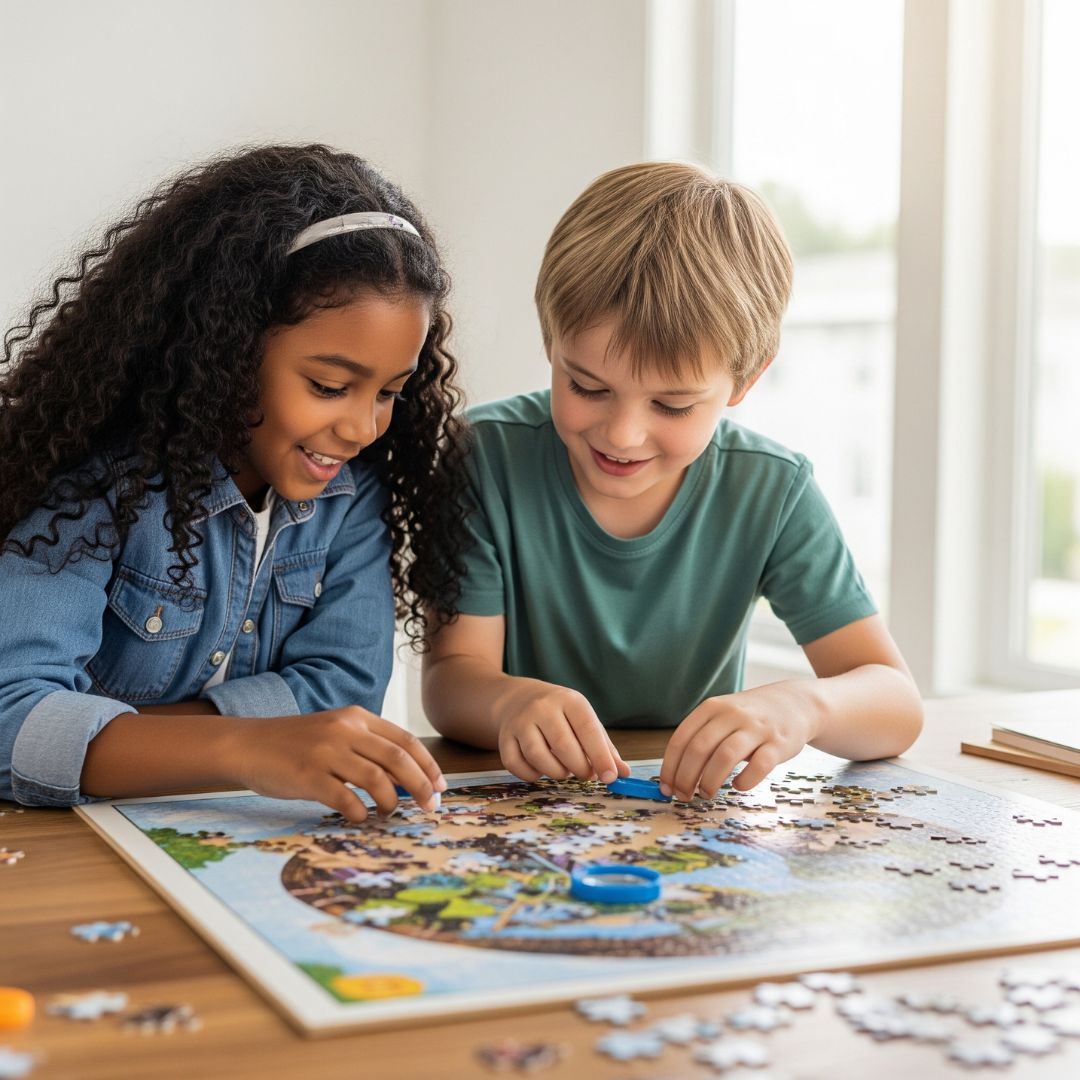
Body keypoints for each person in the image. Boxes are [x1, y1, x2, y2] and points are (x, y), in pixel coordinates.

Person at [422, 161, 923, 802]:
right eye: (587, 387)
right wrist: (507, 703)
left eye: (674, 405)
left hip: (687, 816)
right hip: (525, 809)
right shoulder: (481, 457)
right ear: (551, 342)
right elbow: (451, 679)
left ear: (746, 380)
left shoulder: (772, 490)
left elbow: (895, 702)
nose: (622, 434)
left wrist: (803, 707)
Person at [0, 144, 471, 821]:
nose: (364, 427)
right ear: (225, 348)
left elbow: (344, 693)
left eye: (390, 392)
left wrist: (120, 735)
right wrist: (244, 746)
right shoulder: (98, 483)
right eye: (330, 386)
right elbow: (12, 715)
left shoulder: (352, 493)